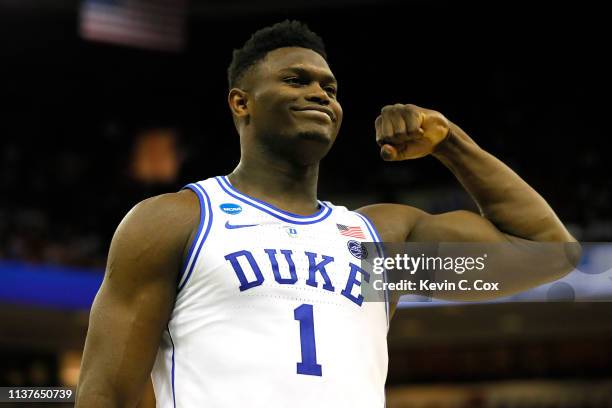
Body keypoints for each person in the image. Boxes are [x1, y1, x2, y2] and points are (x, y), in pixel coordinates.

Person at [76, 20, 577, 407]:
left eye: (330, 89)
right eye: (296, 80)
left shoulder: (378, 249)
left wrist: (451, 143)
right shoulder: (177, 222)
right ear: (240, 102)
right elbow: (104, 396)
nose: (319, 94)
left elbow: (547, 254)